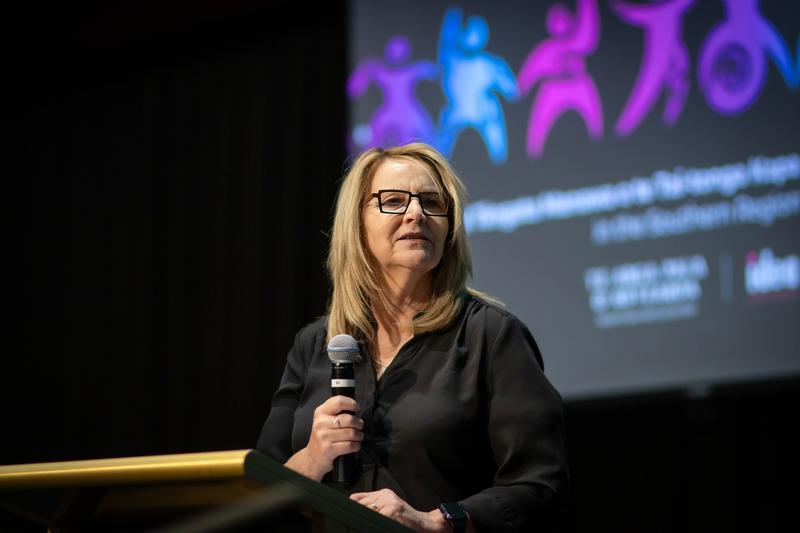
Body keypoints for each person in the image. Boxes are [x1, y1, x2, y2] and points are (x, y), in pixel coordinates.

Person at [256, 143, 569, 532]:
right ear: (357, 222)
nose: (416, 213)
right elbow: (256, 496)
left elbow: (539, 484)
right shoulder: (313, 345)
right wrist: (310, 460)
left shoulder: (490, 336)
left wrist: (433, 521)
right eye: (393, 200)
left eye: (432, 203)